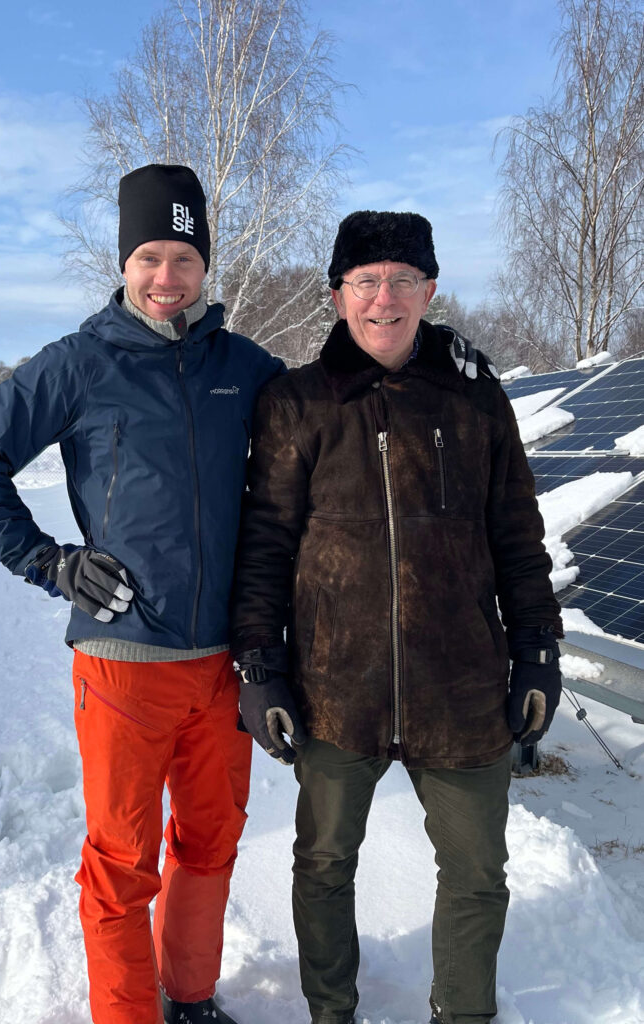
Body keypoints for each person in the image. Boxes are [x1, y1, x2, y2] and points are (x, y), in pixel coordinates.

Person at [0, 164, 285, 1024]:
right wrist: (47, 561)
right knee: (122, 859)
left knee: (208, 842)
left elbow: (335, 416)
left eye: (183, 257)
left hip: (223, 667)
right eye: (148, 257)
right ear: (124, 261)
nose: (166, 277)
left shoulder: (245, 369)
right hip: (124, 661)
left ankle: (193, 998)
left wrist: (426, 363)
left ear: (206, 264)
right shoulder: (80, 363)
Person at [230, 210, 563, 1024]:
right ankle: (331, 1014)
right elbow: (265, 545)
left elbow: (518, 538)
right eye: (366, 281)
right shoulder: (296, 402)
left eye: (403, 280)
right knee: (323, 863)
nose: (385, 298)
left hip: (461, 687)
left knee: (478, 869)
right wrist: (260, 667)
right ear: (338, 295)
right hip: (335, 688)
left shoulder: (477, 399)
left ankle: (464, 1014)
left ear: (430, 290)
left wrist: (537, 653)